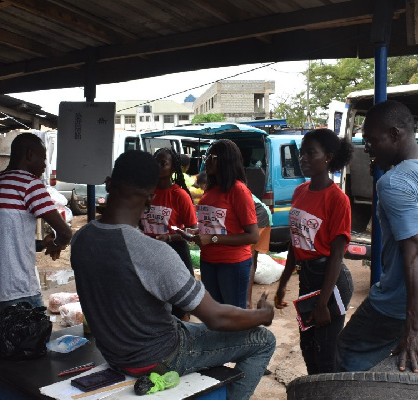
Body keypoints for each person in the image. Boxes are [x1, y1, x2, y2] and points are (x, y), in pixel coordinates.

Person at [71, 150, 275, 400]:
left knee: (183, 323)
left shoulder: (81, 239)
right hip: (160, 356)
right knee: (264, 340)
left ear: (109, 184)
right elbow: (217, 318)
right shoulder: (151, 252)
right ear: (150, 199)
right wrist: (262, 315)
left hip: (115, 353)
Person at [337, 100, 418, 373]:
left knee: (348, 348)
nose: (367, 148)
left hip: (400, 301)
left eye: (371, 140)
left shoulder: (394, 183)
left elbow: (416, 252)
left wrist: (414, 328)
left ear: (395, 134)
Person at [0, 132, 73, 348]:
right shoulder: (30, 184)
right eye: (43, 158)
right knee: (30, 359)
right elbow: (65, 232)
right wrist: (57, 244)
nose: (45, 165)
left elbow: (1, 236)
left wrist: (41, 244)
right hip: (17, 288)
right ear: (30, 155)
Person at [274, 129, 354, 374]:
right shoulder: (300, 191)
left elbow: (337, 255)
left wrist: (323, 302)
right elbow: (295, 242)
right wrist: (283, 282)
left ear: (328, 157)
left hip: (330, 281)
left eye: (311, 153)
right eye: (302, 153)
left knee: (326, 352)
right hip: (308, 279)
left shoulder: (338, 199)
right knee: (309, 347)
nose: (303, 158)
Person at [193, 139, 259, 309]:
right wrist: (195, 232)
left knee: (233, 317)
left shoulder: (239, 191)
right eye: (206, 157)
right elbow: (212, 226)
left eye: (212, 157)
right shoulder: (210, 190)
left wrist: (213, 239)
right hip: (208, 262)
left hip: (232, 265)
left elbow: (253, 236)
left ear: (226, 159)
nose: (207, 161)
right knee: (215, 316)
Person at [139, 147, 198, 320]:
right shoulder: (145, 194)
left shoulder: (179, 196)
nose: (157, 166)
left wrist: (170, 237)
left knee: (179, 305)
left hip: (175, 253)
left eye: (162, 163)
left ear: (173, 168)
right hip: (148, 253)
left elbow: (193, 230)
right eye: (154, 162)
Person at [246, 194, 272, 309]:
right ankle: (247, 301)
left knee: (248, 259)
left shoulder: (233, 189)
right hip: (264, 214)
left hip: (259, 215)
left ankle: (247, 302)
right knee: (252, 258)